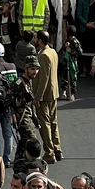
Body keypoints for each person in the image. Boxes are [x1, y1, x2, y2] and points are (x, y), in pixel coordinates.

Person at [30, 33, 60, 165]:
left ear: (40, 41)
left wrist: (37, 98)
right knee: (53, 122)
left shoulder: (43, 55)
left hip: (45, 94)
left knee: (45, 124)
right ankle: (57, 149)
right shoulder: (52, 52)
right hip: (53, 93)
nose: (35, 40)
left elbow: (43, 79)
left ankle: (49, 152)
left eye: (36, 38)